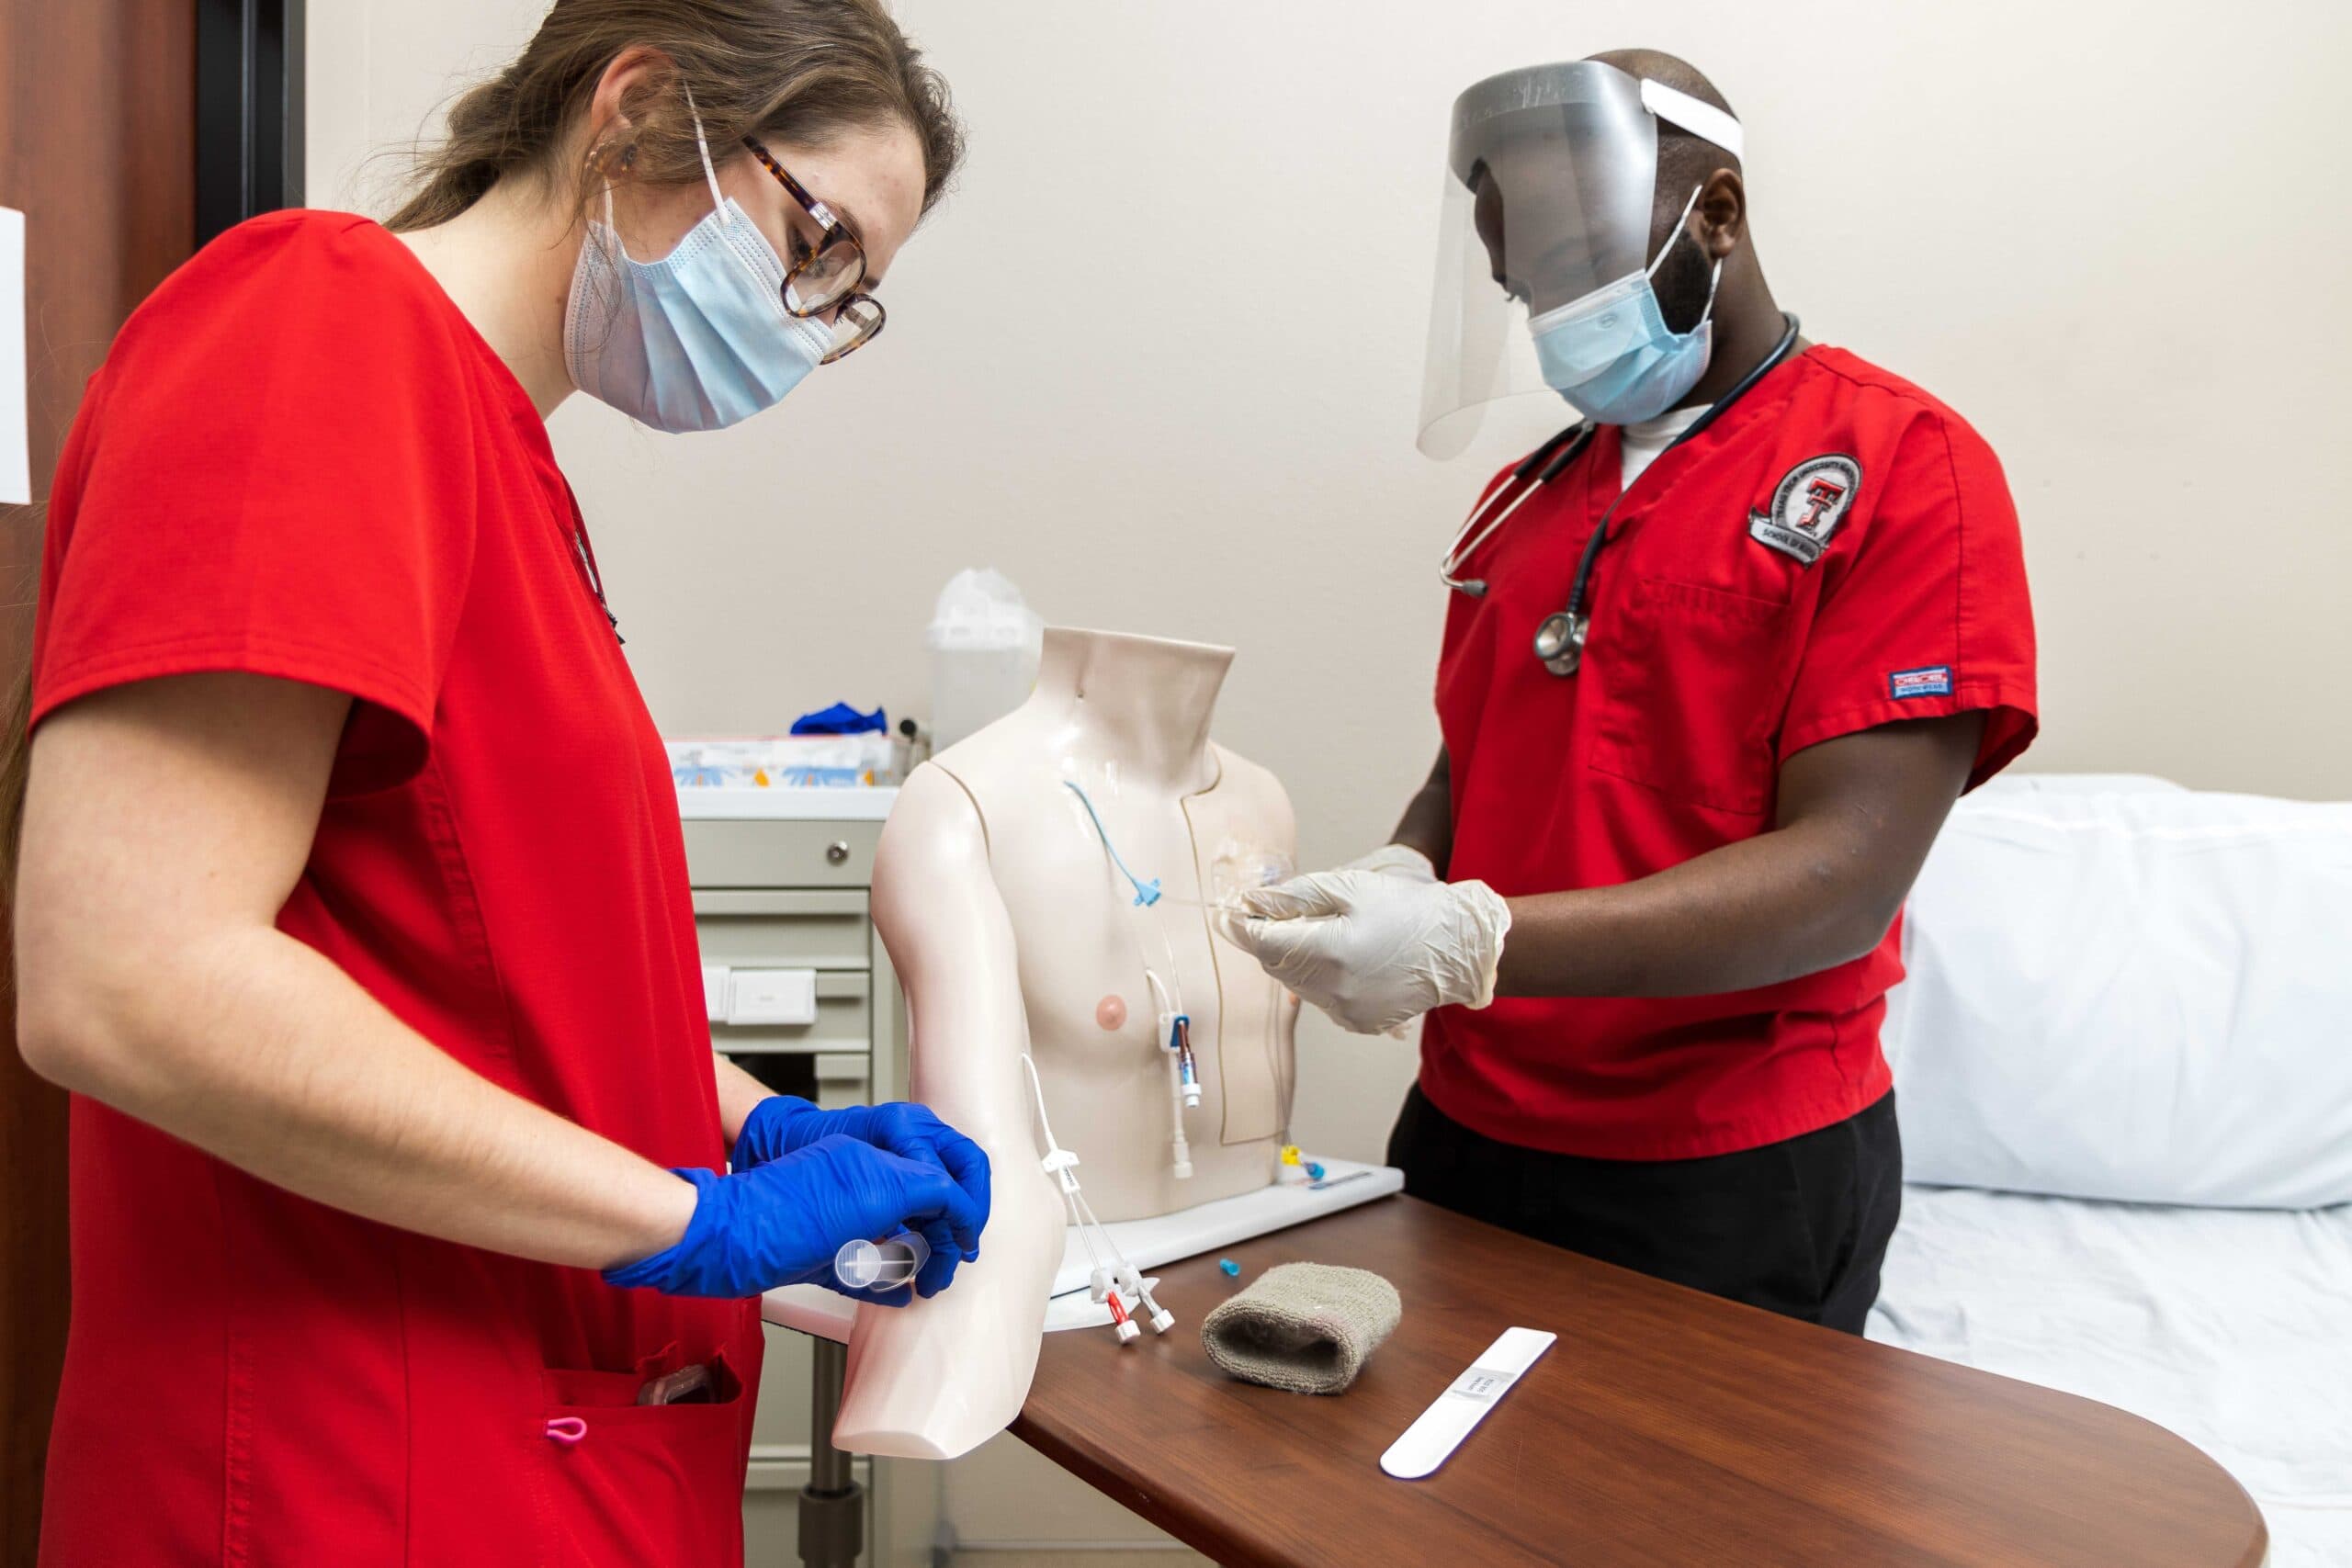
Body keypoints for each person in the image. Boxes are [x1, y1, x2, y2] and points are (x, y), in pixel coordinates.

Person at [5, 3, 989, 1561]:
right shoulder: (312, 327)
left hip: (518, 1447)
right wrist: (699, 1221)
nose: (808, 324)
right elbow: (127, 976)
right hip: (346, 1466)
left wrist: (744, 1125)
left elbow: (472, 976)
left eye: (849, 299)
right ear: (639, 104)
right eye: (814, 246)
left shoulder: (508, 465)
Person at [1225, 50, 2037, 1335]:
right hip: (1468, 1131)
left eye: (1571, 272)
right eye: (1521, 288)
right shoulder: (1526, 500)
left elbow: (1843, 880)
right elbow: (1474, 772)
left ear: (1717, 212)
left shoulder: (1902, 468)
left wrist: (1468, 943)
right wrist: (1402, 872)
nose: (1548, 320)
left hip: (1728, 1168)